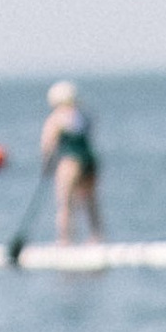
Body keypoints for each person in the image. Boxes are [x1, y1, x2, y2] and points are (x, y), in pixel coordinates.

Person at [41, 82, 102, 244]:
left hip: (71, 161)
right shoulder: (84, 115)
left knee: (66, 203)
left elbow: (48, 143)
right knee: (90, 202)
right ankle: (96, 238)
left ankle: (65, 240)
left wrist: (47, 166)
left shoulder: (56, 117)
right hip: (89, 160)